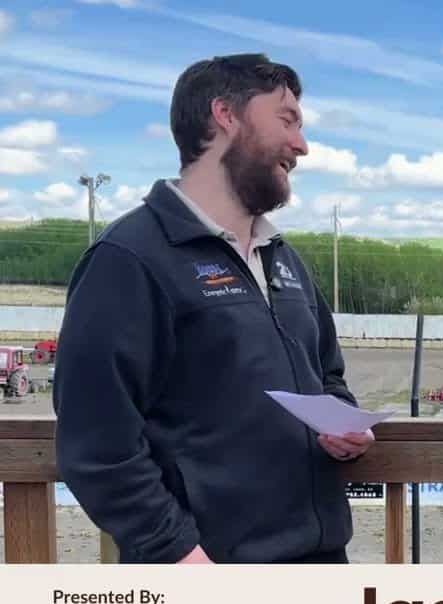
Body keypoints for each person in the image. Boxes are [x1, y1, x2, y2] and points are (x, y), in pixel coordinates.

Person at [53, 54, 373, 564]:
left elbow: (328, 376)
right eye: (286, 120)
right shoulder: (130, 258)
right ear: (225, 116)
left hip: (319, 561)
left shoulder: (283, 259)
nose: (302, 146)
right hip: (205, 571)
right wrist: (177, 553)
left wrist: (345, 428)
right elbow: (97, 444)